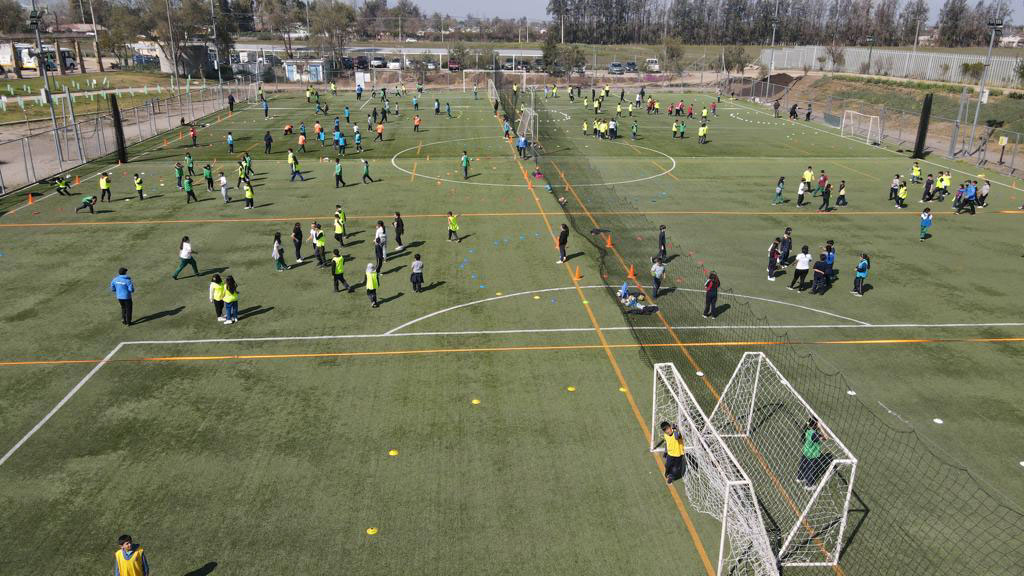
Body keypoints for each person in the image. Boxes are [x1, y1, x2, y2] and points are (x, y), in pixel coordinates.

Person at [797, 418, 826, 489]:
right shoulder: (815, 435)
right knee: (811, 469)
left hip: (805, 452)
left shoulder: (807, 430)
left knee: (803, 465)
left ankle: (799, 478)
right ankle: (808, 485)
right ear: (816, 425)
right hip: (812, 455)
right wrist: (821, 428)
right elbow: (826, 437)